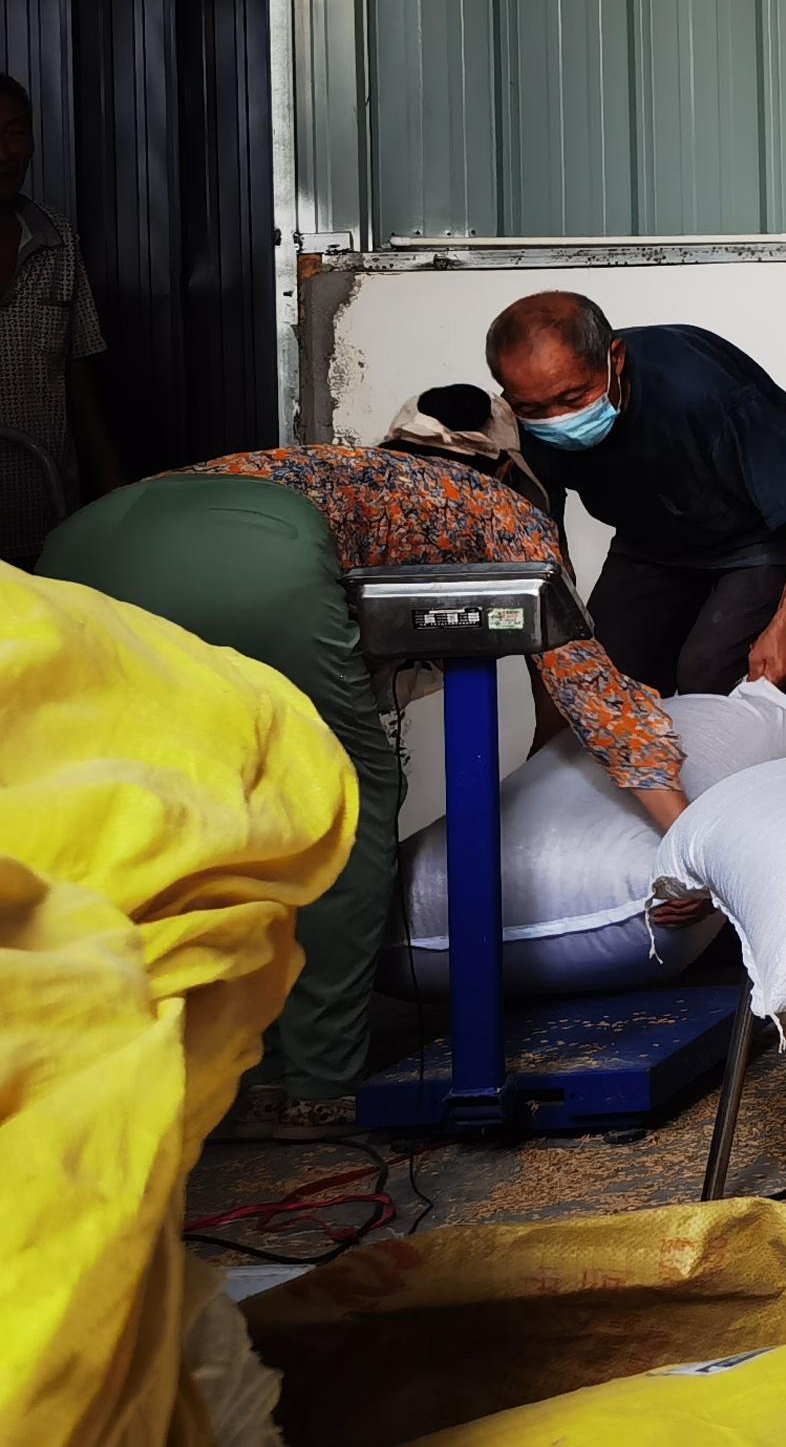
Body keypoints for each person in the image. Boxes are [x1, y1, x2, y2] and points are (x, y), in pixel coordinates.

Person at [39, 394, 694, 1131]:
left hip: (81, 549)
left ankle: (188, 1070)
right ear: (509, 465)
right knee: (347, 792)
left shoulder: (343, 474)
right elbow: (592, 693)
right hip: (246, 549)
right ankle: (317, 1083)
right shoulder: (495, 503)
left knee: (176, 808)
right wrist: (691, 851)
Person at [486, 291, 786, 695]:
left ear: (616, 360)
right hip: (649, 546)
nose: (557, 420)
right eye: (534, 410)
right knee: (600, 675)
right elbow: (543, 554)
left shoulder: (701, 389)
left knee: (709, 675)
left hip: (756, 542)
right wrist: (560, 673)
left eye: (573, 399)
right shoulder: (521, 425)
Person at [0, 71, 125, 566]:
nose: (4, 153)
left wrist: (113, 489)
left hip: (46, 513)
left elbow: (79, 377)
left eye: (15, 133)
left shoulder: (56, 239)